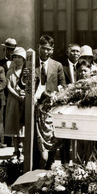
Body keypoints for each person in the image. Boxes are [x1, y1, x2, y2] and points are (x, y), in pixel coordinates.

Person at [33, 34, 66, 170]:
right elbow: (23, 84)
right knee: (37, 142)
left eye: (48, 49)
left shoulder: (57, 66)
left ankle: (49, 166)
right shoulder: (31, 63)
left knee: (51, 138)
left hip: (51, 109)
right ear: (38, 47)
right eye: (43, 48)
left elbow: (63, 86)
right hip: (35, 108)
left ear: (52, 50)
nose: (45, 51)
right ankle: (35, 168)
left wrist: (55, 95)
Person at [4, 47, 27, 159]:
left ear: (24, 59)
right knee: (14, 124)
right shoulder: (10, 72)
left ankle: (23, 150)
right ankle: (15, 150)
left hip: (24, 101)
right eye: (15, 57)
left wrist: (24, 95)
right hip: (13, 101)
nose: (17, 60)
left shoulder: (26, 71)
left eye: (20, 57)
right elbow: (8, 86)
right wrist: (17, 96)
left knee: (22, 125)